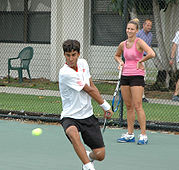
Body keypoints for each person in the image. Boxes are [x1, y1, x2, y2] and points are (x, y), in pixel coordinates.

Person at [59, 39, 113, 170]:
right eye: (68, 55)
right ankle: (88, 167)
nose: (71, 58)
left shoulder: (83, 63)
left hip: (88, 115)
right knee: (72, 132)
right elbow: (87, 89)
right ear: (64, 55)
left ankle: (87, 157)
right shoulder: (65, 73)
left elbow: (91, 85)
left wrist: (102, 105)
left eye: (73, 55)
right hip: (70, 116)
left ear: (78, 54)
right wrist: (105, 106)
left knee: (100, 155)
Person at [114, 18, 155, 145]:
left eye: (132, 29)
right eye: (128, 29)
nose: (129, 31)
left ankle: (143, 135)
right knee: (129, 106)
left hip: (137, 76)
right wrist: (120, 62)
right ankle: (130, 134)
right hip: (125, 76)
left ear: (137, 31)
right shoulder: (123, 44)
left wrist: (140, 61)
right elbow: (117, 55)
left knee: (138, 106)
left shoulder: (139, 42)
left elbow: (151, 53)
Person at [136, 19, 153, 103]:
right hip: (139, 57)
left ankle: (140, 95)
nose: (149, 27)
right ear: (144, 25)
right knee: (141, 76)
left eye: (150, 26)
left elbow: (148, 48)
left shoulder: (150, 35)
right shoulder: (138, 34)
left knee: (143, 77)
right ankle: (141, 97)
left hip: (146, 57)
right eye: (148, 25)